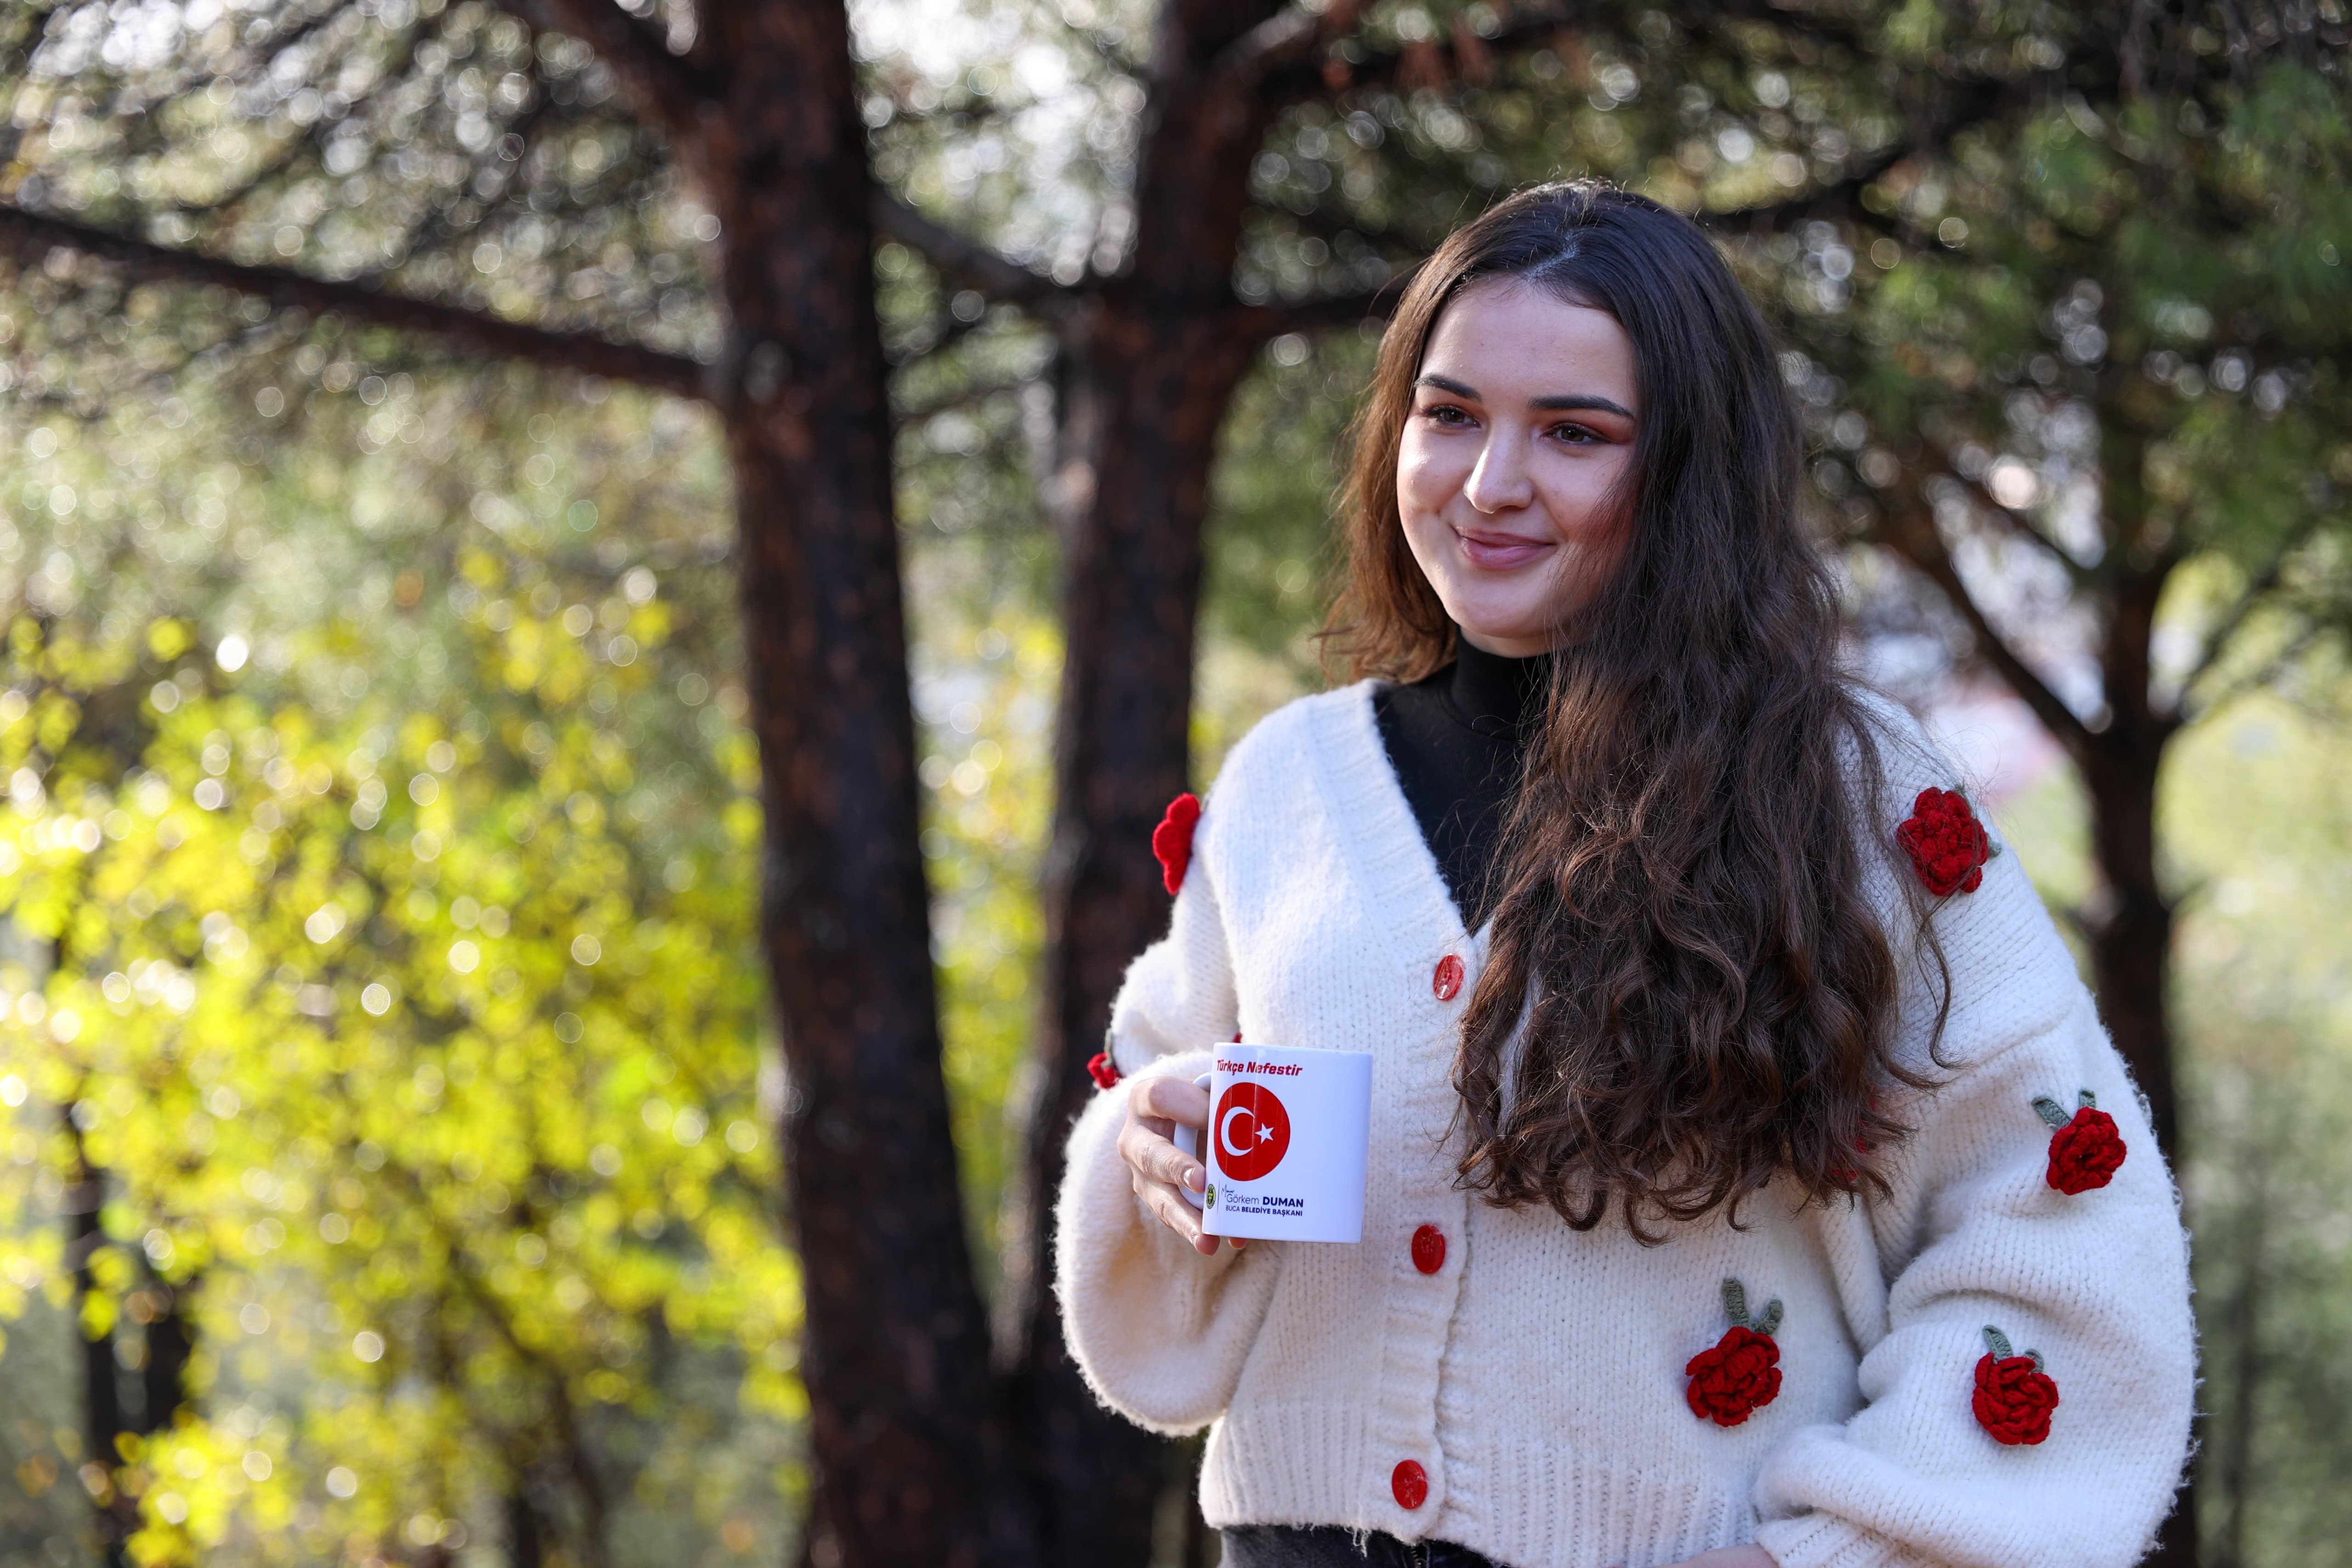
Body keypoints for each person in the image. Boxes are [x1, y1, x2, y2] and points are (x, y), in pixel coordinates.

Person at [1051, 182, 2194, 1568]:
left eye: (1574, 433)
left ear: (1688, 472)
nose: (1490, 484)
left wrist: (1823, 1556)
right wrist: (1152, 1153)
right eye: (1450, 414)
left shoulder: (1850, 800)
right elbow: (1161, 1170)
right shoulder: (1286, 785)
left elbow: (2065, 1224)